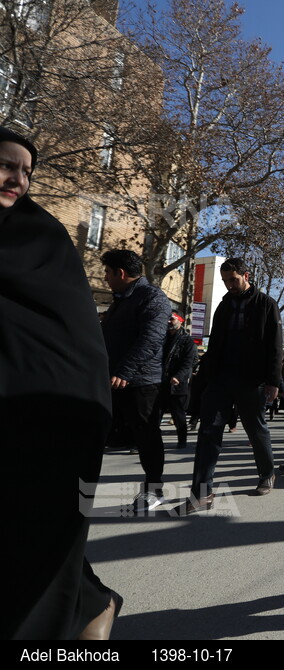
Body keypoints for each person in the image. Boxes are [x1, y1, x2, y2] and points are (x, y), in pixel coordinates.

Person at [0, 127, 121, 639]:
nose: (18, 179)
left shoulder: (37, 237)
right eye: (7, 165)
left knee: (32, 537)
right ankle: (92, 605)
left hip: (50, 415)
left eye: (27, 171)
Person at [184, 258, 283, 514]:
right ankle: (201, 492)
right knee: (208, 432)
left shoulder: (266, 304)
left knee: (255, 429)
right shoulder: (224, 305)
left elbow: (275, 346)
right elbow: (215, 343)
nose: (229, 285)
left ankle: (266, 474)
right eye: (225, 281)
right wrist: (203, 377)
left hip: (252, 380)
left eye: (233, 280)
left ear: (246, 275)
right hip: (221, 378)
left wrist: (273, 380)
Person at [100, 248, 170, 513]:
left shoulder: (152, 297)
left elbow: (151, 340)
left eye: (108, 272)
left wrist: (125, 372)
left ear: (120, 273)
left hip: (141, 383)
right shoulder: (120, 300)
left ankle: (155, 490)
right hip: (113, 380)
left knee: (147, 437)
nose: (105, 278)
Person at [160, 311, 197, 450]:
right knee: (153, 414)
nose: (169, 321)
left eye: (172, 319)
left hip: (177, 385)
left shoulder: (187, 340)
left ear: (180, 321)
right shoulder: (162, 338)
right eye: (167, 319)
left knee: (178, 415)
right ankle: (146, 443)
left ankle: (182, 440)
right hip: (160, 382)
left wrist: (178, 376)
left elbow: (188, 362)